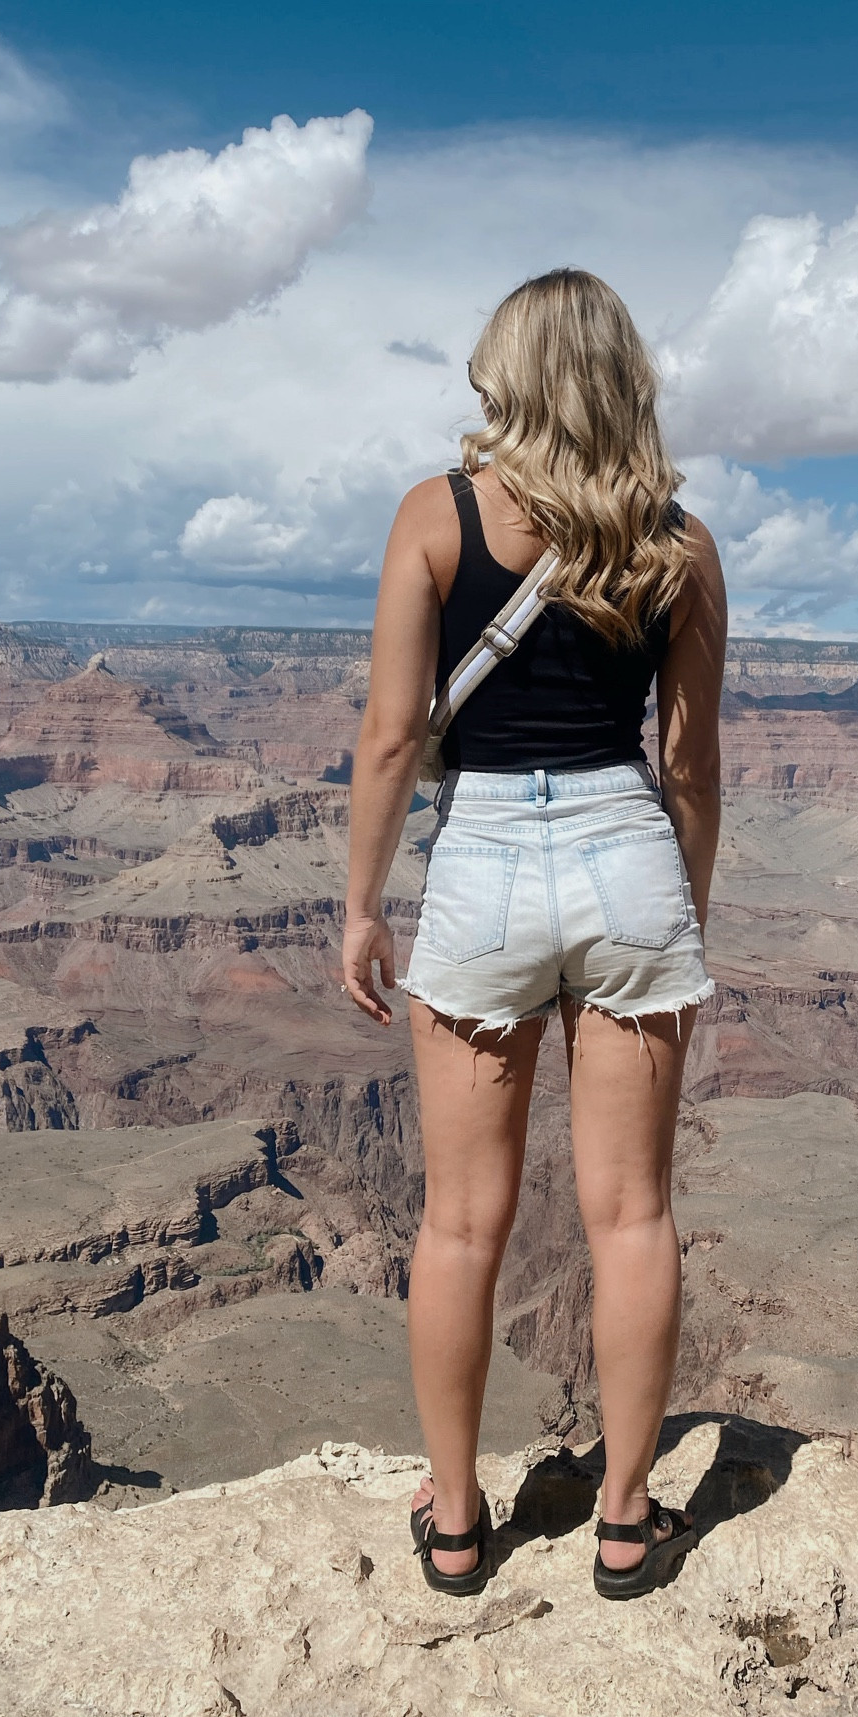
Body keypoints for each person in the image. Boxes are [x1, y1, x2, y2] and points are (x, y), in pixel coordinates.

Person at [342, 267, 725, 1601]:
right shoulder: (675, 539)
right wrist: (685, 896)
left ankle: (455, 1524)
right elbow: (688, 758)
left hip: (488, 860)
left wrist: (360, 904)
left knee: (460, 1226)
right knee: (633, 1219)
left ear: (507, 373)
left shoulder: (435, 518)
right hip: (628, 853)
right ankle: (625, 1523)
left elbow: (394, 734)